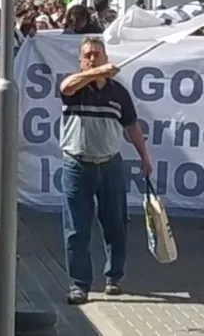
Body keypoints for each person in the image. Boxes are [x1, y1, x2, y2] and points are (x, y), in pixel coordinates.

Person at [59, 37, 152, 305]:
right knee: (76, 228)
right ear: (80, 60)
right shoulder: (75, 87)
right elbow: (65, 87)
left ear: (105, 55)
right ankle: (79, 284)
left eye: (96, 54)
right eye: (87, 55)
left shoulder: (119, 93)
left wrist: (144, 156)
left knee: (116, 224)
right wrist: (96, 73)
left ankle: (114, 277)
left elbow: (132, 126)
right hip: (77, 165)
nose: (91, 58)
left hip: (110, 164)